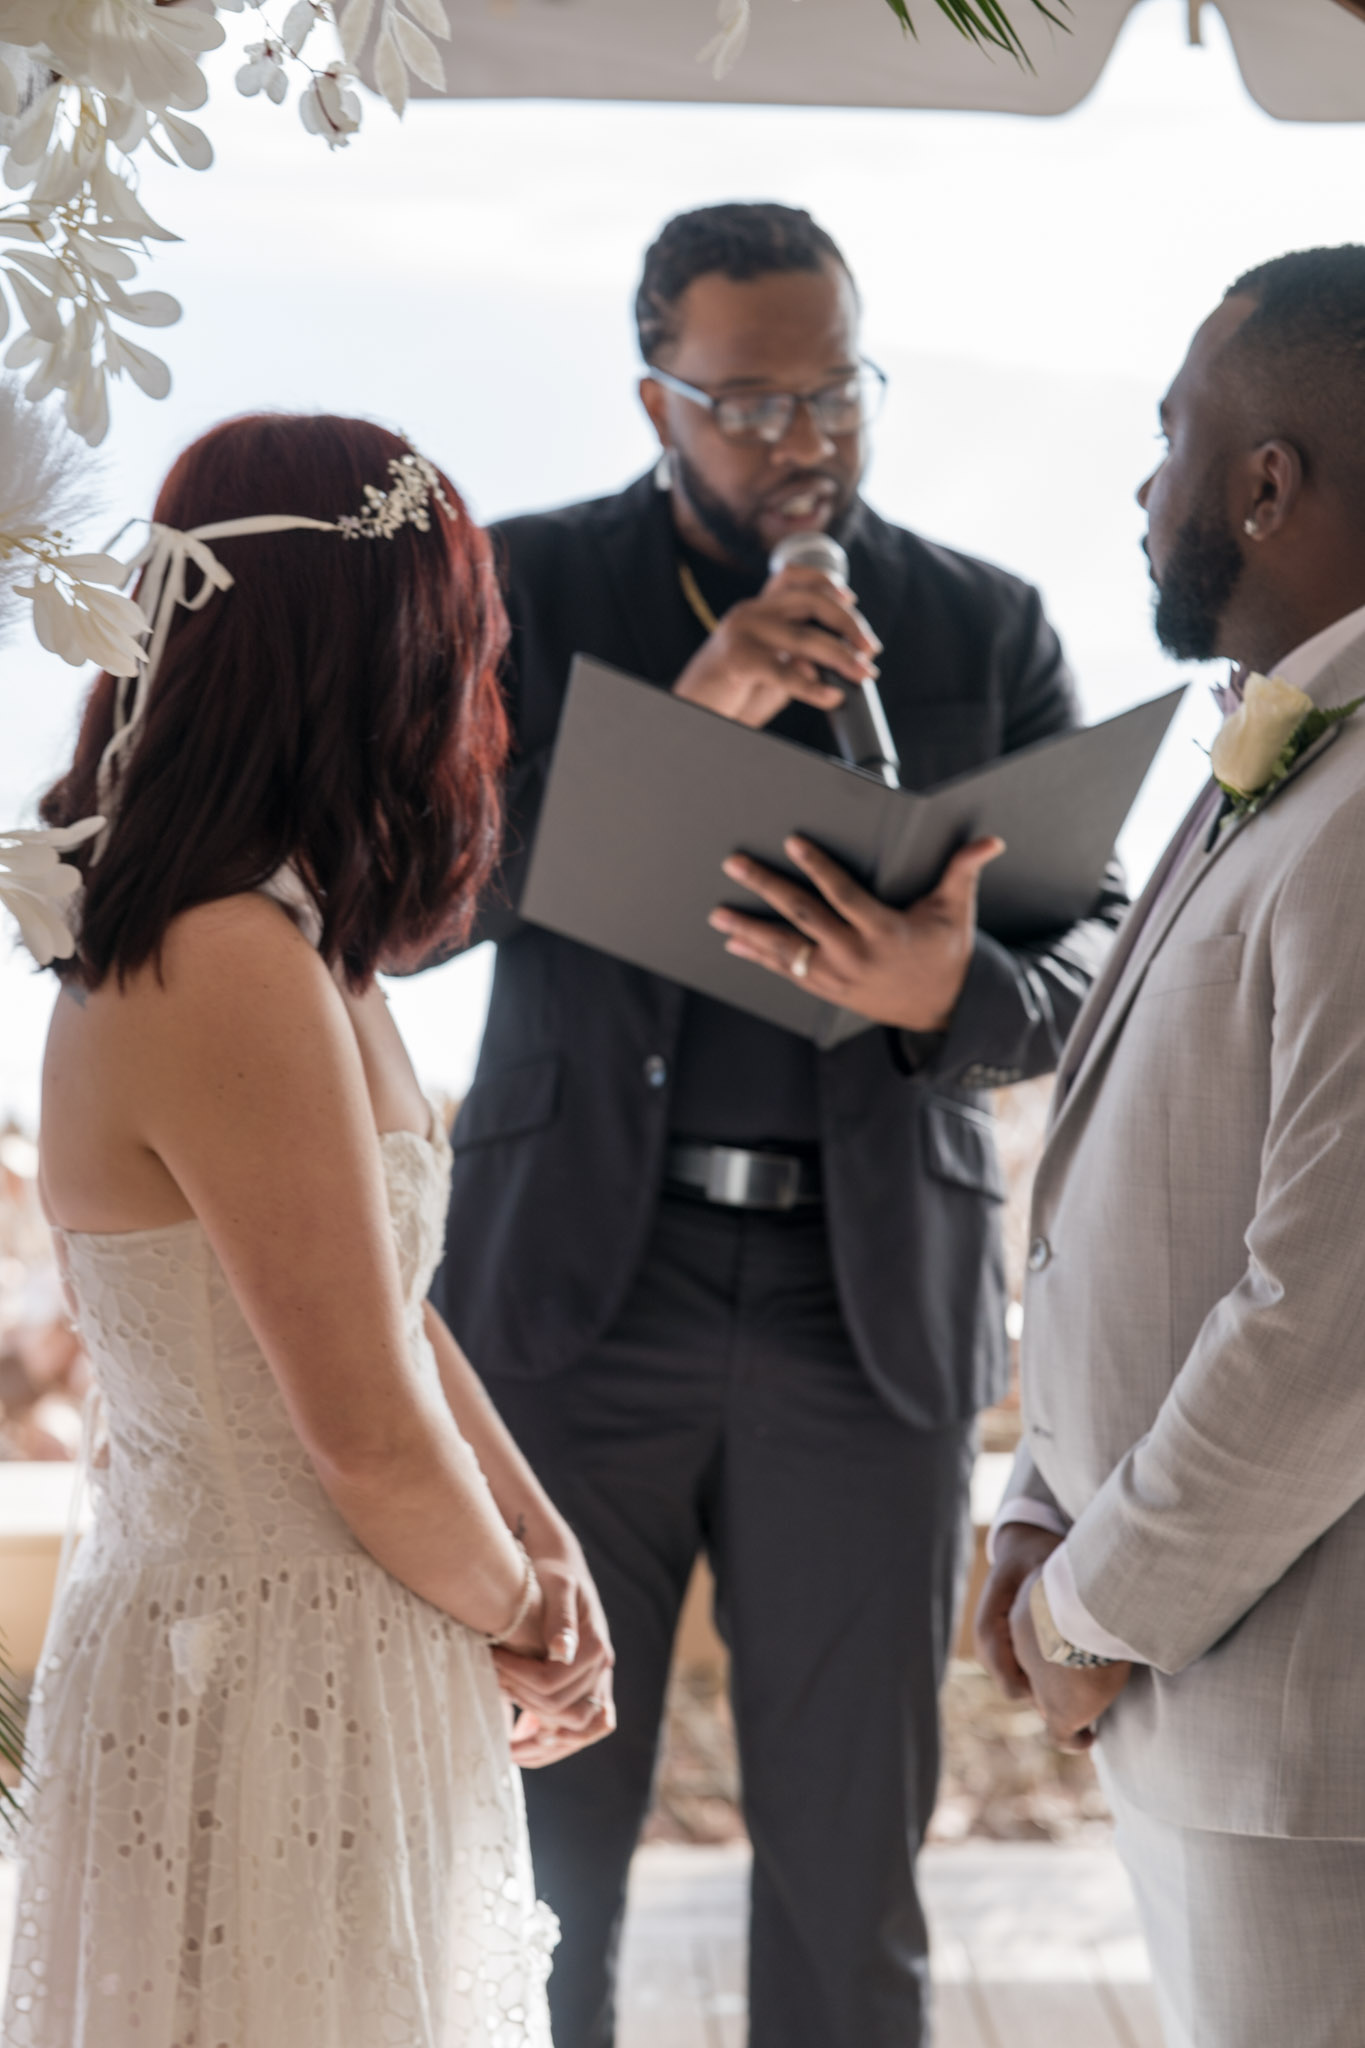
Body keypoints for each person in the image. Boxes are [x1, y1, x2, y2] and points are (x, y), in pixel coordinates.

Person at [426, 202, 1127, 2048]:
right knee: (535, 1861)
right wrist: (689, 716)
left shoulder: (981, 621)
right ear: (653, 400)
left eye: (835, 392)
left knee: (848, 1868)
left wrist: (949, 991)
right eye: (747, 404)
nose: (801, 439)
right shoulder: (520, 588)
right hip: (577, 1294)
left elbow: (1095, 960)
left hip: (868, 1303)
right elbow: (421, 899)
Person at [0, 414, 617, 2048]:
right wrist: (524, 1620)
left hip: (340, 1640)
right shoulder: (224, 956)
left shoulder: (296, 941)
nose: (480, 683)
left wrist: (544, 1542)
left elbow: (380, 1302)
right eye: (464, 637)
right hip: (261, 1660)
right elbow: (358, 1430)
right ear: (381, 655)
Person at [976, 245, 1365, 2048]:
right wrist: (1037, 1505)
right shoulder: (1287, 754)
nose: (1142, 492)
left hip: (1313, 1745)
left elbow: (1328, 1312)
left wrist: (1095, 1605)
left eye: (1168, 440)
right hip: (1211, 1712)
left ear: (1265, 484)